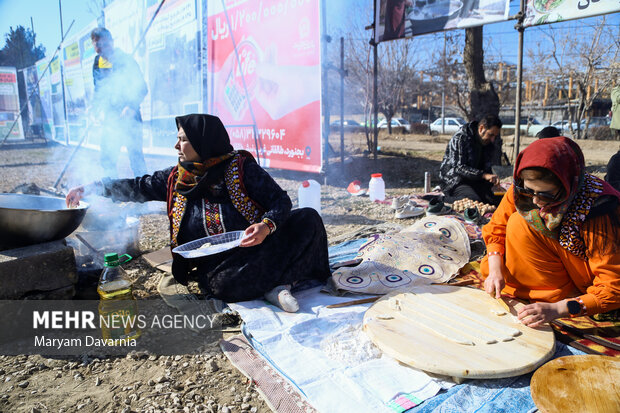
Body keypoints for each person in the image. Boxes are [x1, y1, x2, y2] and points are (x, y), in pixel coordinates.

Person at [66, 114, 331, 312]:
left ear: (204, 143)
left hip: (260, 246)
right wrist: (93, 187)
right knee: (223, 286)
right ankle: (280, 282)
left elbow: (280, 200)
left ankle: (279, 284)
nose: (176, 146)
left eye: (183, 140)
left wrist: (266, 226)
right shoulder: (176, 178)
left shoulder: (241, 169)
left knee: (308, 219)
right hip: (220, 264)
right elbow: (138, 186)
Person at [482, 137, 620, 327]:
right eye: (530, 191)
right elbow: (496, 228)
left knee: (518, 222)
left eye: (546, 195)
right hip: (554, 262)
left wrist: (558, 309)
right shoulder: (521, 190)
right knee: (494, 258)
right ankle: (538, 289)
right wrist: (495, 271)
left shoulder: (597, 208)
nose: (536, 200)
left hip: (586, 278)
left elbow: (613, 286)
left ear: (567, 184)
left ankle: (560, 294)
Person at [90, 27, 148, 178]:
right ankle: (114, 192)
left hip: (130, 117)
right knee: (107, 158)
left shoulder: (126, 60)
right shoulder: (97, 63)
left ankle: (143, 197)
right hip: (111, 118)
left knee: (136, 158)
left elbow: (142, 88)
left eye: (104, 44)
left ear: (111, 42)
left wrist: (131, 106)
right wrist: (96, 109)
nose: (101, 49)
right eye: (97, 45)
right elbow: (99, 91)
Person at [439, 114, 503, 205]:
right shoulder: (461, 138)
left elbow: (486, 168)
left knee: (499, 199)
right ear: (481, 128)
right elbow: (459, 168)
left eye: (495, 136)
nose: (493, 139)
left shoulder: (488, 144)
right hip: (455, 180)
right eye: (491, 134)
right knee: (473, 200)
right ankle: (441, 199)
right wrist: (484, 175)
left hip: (475, 180)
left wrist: (492, 182)